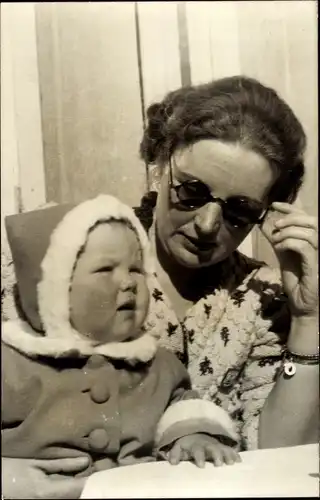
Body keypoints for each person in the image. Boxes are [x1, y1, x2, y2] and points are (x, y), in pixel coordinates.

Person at [1, 75, 318, 499]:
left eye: (240, 210)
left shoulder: (266, 301)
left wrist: (309, 320)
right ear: (158, 163)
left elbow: (280, 461)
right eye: (191, 191)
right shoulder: (59, 258)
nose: (207, 225)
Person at [2, 195, 240, 499]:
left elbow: (181, 404)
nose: (128, 283)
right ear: (51, 289)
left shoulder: (157, 364)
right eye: (105, 270)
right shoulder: (12, 363)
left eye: (136, 269)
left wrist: (194, 433)